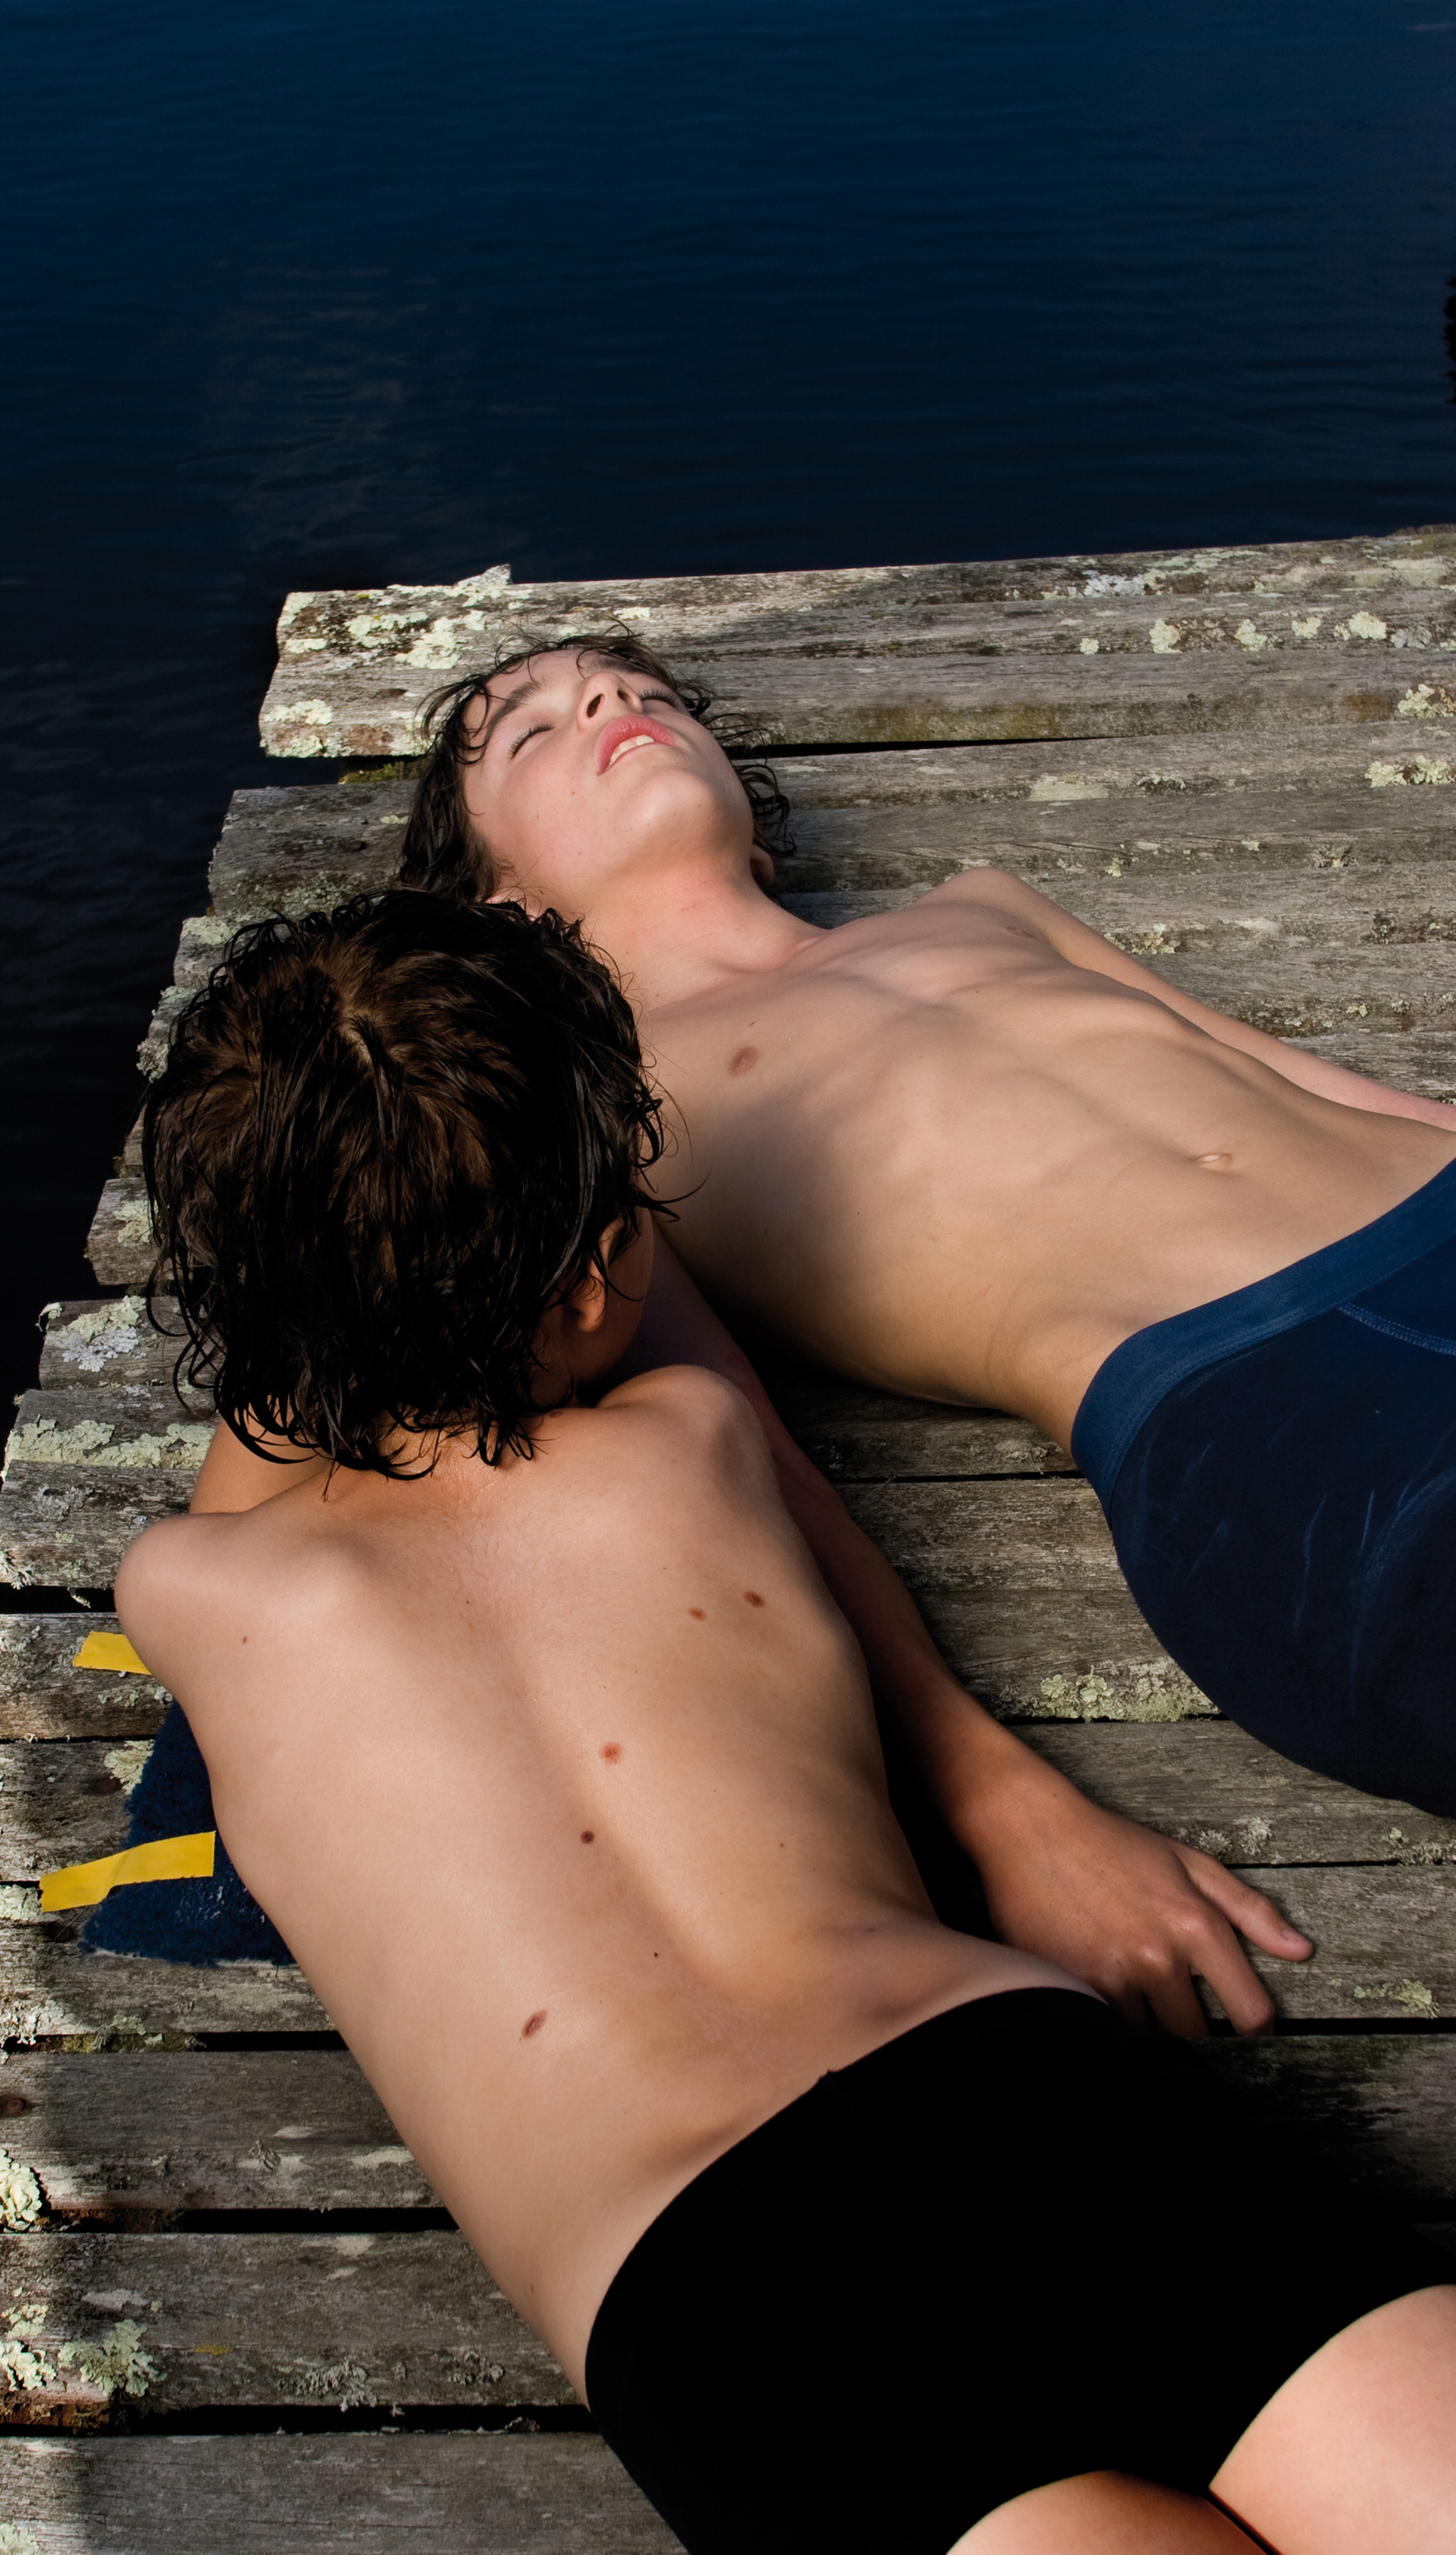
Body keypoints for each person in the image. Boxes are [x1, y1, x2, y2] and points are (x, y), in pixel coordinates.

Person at [116, 892, 1455, 2555]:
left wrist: (349, 1248)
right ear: (596, 1273)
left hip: (705, 2286)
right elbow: (619, 1311)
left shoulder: (189, 1587)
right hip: (1021, 2092)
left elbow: (276, 1410)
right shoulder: (691, 1440)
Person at [397, 637, 1456, 1830]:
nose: (610, 698)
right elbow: (747, 1460)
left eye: (644, 693)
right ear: (501, 907)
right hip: (1259, 1404)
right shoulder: (596, 1116)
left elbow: (1313, 1084)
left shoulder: (980, 905)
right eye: (536, 728)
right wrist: (992, 1793)